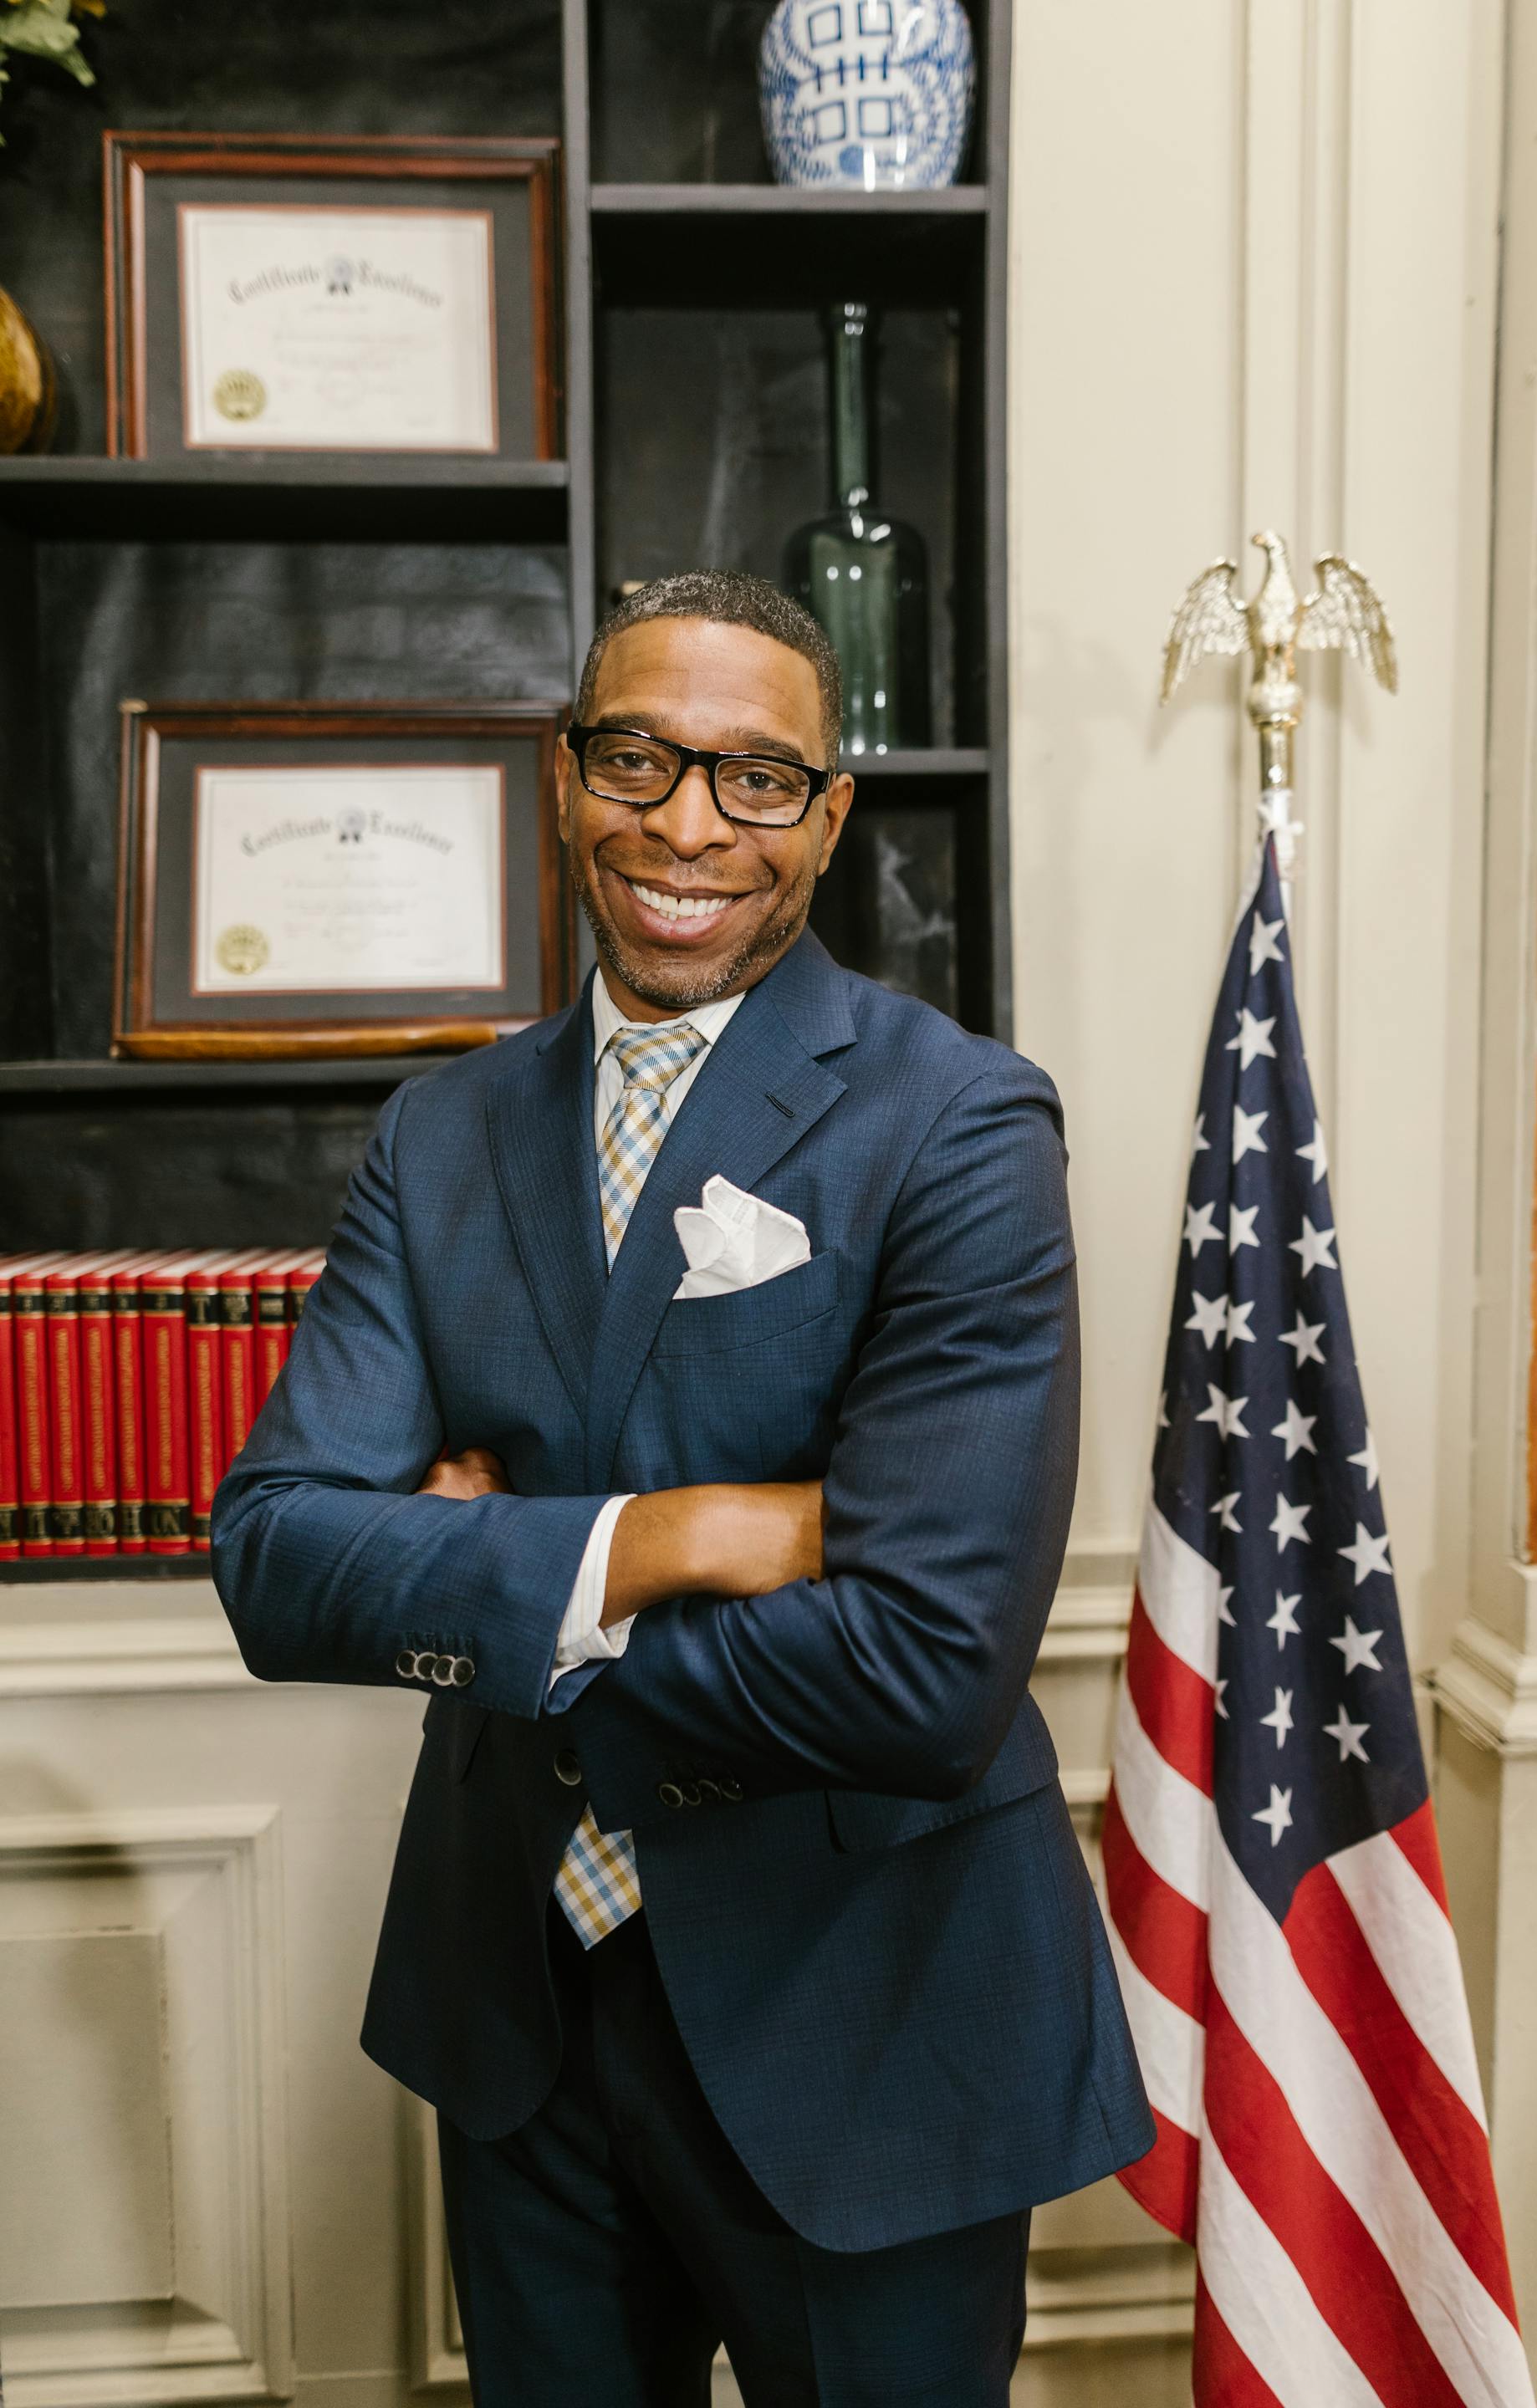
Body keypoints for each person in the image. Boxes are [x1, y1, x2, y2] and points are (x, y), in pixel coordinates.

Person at [212, 570, 1152, 2408]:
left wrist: (491, 1574)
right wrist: (689, 1537)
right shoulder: (441, 1130)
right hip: (520, 2021)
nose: (687, 825)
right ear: (567, 779)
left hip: (863, 2013)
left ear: (829, 815)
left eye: (755, 778)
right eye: (637, 757)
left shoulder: (957, 1124)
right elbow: (276, 1560)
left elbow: (926, 1663)